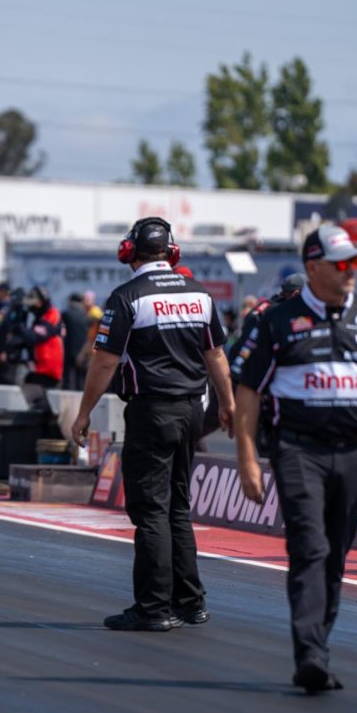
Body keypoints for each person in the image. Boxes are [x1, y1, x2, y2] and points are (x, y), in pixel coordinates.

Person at [233, 224, 357, 693]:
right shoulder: (274, 322)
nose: (351, 271)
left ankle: (320, 646)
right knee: (309, 547)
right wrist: (247, 459)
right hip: (297, 449)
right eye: (342, 264)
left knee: (334, 555)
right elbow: (247, 394)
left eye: (355, 263)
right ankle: (310, 655)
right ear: (313, 268)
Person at [71, 216, 235, 632]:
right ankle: (191, 603)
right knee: (178, 508)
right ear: (172, 252)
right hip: (192, 412)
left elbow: (106, 360)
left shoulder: (128, 296)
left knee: (151, 512)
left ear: (129, 252)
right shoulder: (199, 295)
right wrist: (228, 404)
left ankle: (153, 608)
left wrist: (85, 411)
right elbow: (216, 355)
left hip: (151, 411)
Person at [227, 273, 305, 456]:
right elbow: (247, 354)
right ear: (295, 294)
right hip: (251, 387)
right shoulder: (271, 316)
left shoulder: (273, 309)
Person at [21, 286, 65, 391]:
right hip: (40, 366)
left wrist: (20, 326)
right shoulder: (39, 318)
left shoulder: (52, 314)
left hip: (49, 368)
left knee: (32, 388)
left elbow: (35, 337)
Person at [61, 292, 90, 390]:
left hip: (69, 349)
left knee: (68, 378)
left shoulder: (66, 314)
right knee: (81, 379)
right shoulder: (85, 316)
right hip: (82, 351)